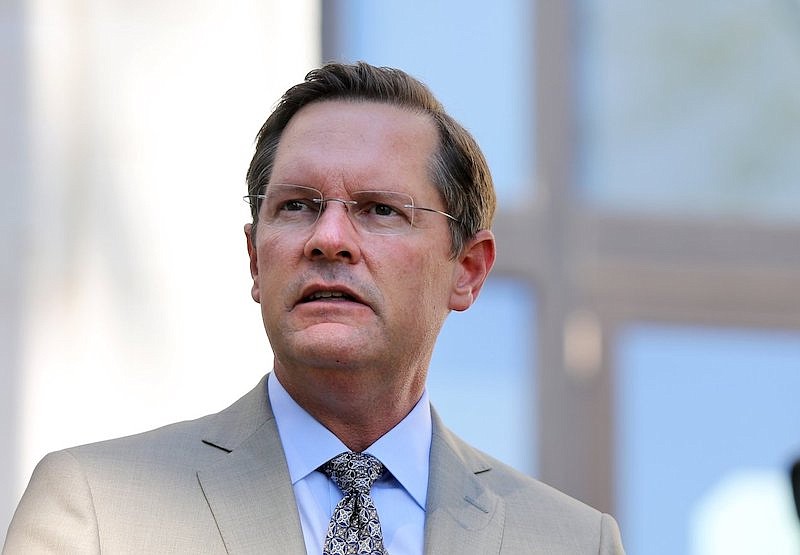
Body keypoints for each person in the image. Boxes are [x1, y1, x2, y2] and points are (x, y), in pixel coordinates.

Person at [4, 62, 625, 554]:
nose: (328, 238)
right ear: (254, 260)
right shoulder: (96, 509)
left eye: (380, 209)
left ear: (467, 271)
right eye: (297, 205)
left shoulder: (572, 542)